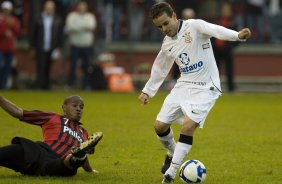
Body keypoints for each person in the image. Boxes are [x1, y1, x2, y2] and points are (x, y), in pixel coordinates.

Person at [138, 2, 251, 184]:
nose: (163, 29)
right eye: (159, 26)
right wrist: (148, 91)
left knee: (188, 126)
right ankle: (173, 152)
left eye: (166, 23)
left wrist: (237, 35)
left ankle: (171, 173)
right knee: (159, 126)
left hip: (207, 87)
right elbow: (160, 67)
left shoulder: (195, 26)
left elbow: (216, 30)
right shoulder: (167, 44)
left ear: (174, 15)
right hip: (184, 84)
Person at [0, 94, 103, 176]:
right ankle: (76, 157)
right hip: (40, 152)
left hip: (59, 162)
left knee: (71, 162)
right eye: (74, 105)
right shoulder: (52, 117)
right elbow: (18, 112)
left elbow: (84, 154)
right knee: (16, 150)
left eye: (81, 107)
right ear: (64, 108)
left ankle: (76, 157)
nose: (78, 109)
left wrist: (90, 171)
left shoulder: (84, 132)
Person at [30, 0, 64, 90]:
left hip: (52, 47)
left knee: (49, 66)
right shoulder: (38, 18)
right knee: (41, 65)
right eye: (48, 7)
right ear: (44, 8)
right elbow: (33, 33)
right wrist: (33, 47)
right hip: (40, 46)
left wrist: (58, 47)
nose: (49, 9)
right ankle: (39, 84)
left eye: (51, 7)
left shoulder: (57, 19)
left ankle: (46, 85)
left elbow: (60, 35)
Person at [65, 1, 97, 90]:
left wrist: (78, 27)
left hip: (87, 45)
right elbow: (70, 27)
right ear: (77, 7)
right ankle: (71, 84)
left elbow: (92, 26)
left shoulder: (90, 16)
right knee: (73, 65)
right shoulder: (72, 16)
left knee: (87, 66)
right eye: (80, 6)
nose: (82, 8)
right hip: (75, 44)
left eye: (83, 6)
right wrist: (84, 27)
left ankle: (87, 85)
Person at [212, 2, 238, 92]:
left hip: (227, 50)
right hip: (216, 50)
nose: (225, 11)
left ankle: (231, 88)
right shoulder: (216, 21)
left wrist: (231, 46)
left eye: (227, 10)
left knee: (229, 70)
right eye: (224, 10)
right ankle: (214, 87)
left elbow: (237, 36)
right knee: (215, 70)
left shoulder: (233, 22)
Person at [0, 1, 20, 89]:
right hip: (1, 47)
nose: (6, 11)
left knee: (8, 67)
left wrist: (11, 25)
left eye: (8, 9)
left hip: (10, 47)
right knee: (1, 65)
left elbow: (17, 31)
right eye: (5, 9)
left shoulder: (14, 20)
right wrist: (4, 32)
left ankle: (4, 85)